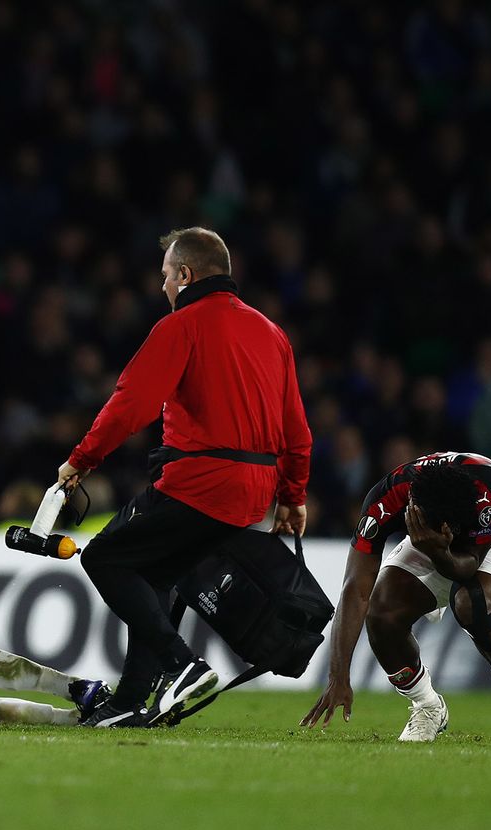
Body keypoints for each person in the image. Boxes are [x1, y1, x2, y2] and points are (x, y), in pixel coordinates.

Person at [55, 227, 311, 727]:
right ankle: (129, 702)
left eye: (167, 276)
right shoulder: (272, 333)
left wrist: (81, 459)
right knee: (156, 576)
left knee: (106, 557)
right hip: (254, 491)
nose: (163, 287)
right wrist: (292, 497)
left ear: (186, 275)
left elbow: (132, 405)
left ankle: (183, 667)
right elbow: (297, 431)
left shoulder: (182, 325)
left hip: (202, 482)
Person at [302, 453, 491, 743]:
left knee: (472, 604)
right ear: (414, 512)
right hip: (434, 536)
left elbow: (468, 566)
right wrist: (338, 675)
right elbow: (355, 588)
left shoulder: (486, 490)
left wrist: (440, 551)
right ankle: (427, 707)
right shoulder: (386, 499)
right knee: (382, 611)